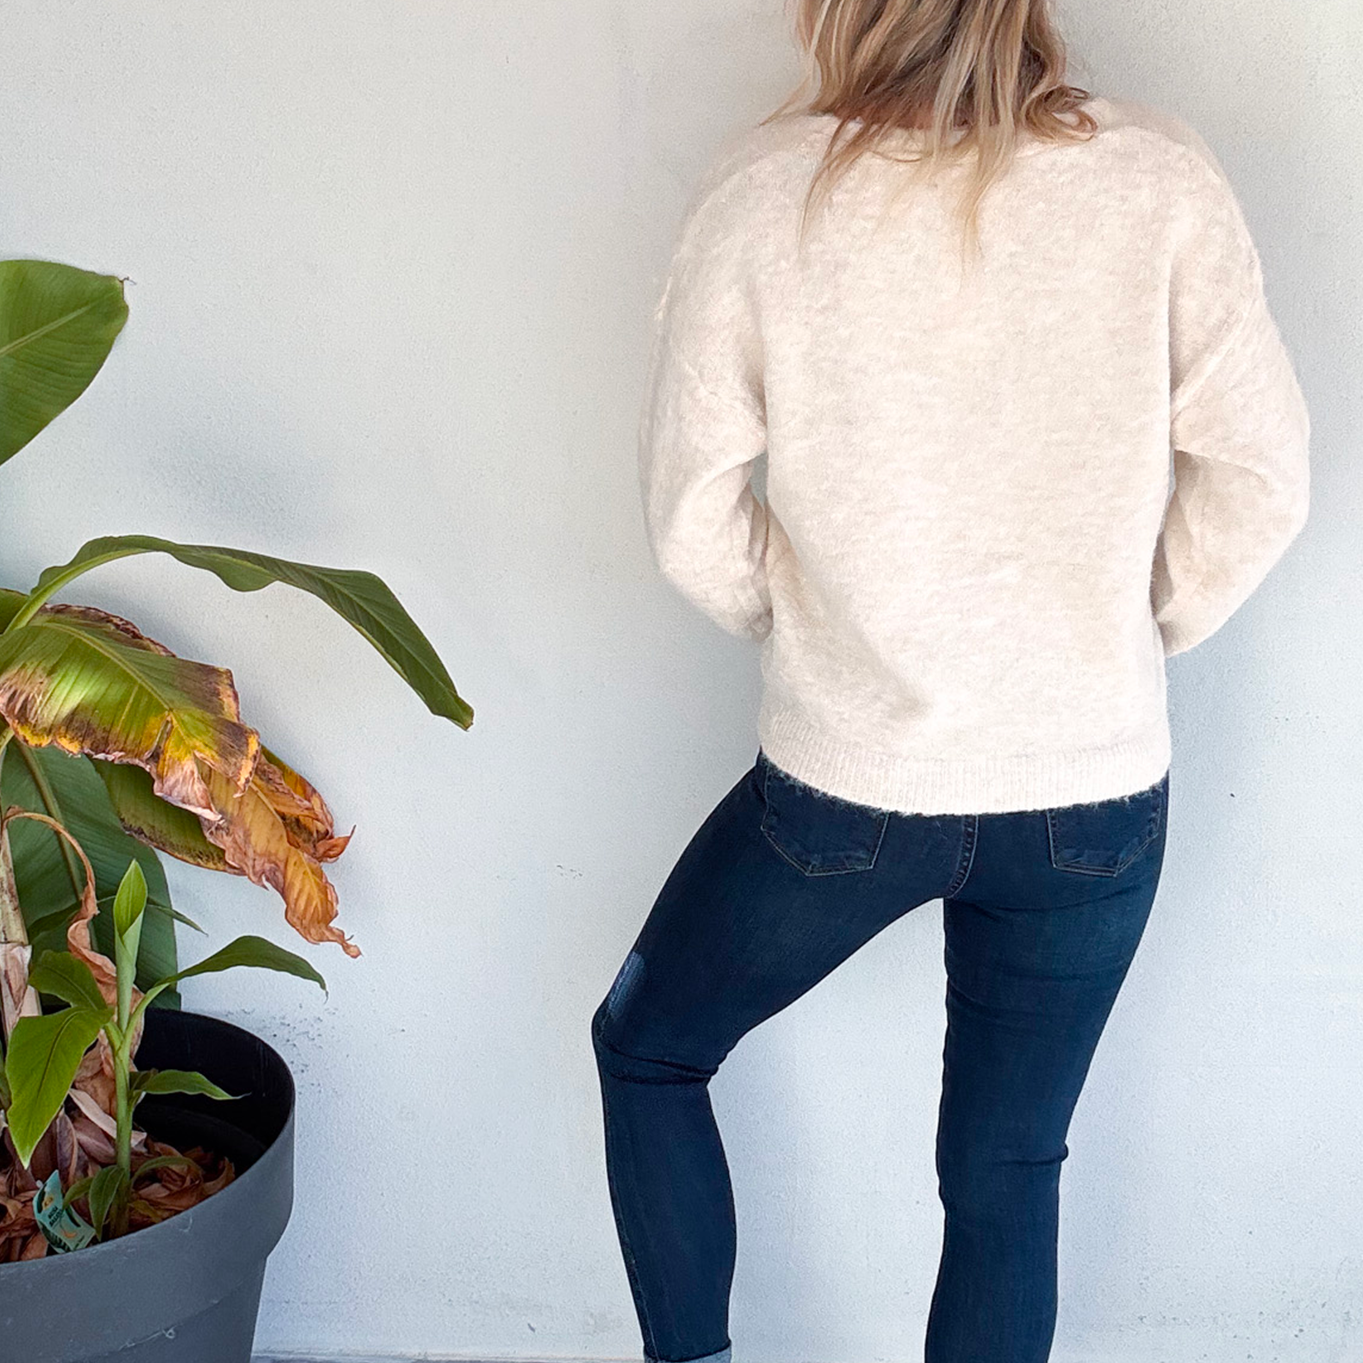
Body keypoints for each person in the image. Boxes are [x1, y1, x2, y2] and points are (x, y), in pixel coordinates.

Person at [591, 1, 1311, 1360]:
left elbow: (687, 515)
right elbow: (1263, 476)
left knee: (649, 1048)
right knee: (1005, 1174)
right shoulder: (1158, 180)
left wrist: (822, 634)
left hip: (845, 790)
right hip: (1093, 796)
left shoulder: (766, 194)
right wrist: (1130, 627)